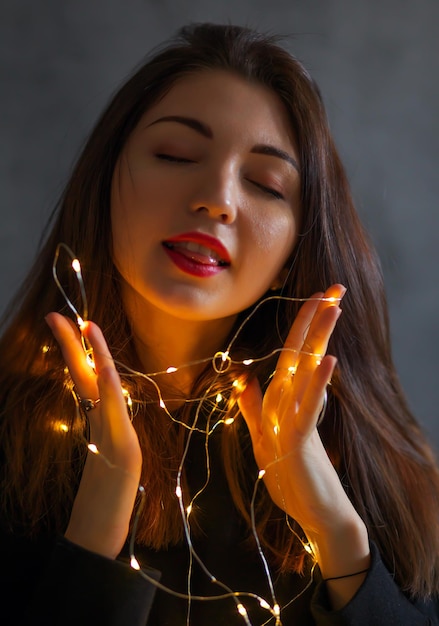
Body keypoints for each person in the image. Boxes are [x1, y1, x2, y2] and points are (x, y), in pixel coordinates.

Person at [0, 22, 438, 626]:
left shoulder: (371, 462)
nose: (218, 198)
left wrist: (335, 526)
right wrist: (99, 515)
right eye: (176, 155)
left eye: (265, 184)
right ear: (103, 183)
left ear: (294, 253)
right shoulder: (13, 442)